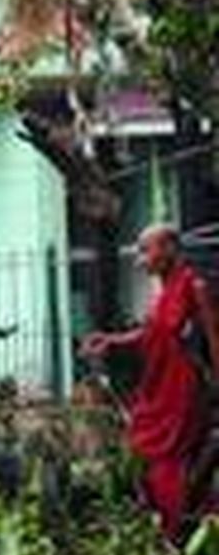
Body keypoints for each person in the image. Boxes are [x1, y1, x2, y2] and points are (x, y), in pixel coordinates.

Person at [82, 224, 219, 539]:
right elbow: (150, 333)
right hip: (158, 383)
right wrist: (112, 339)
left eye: (147, 250)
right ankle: (189, 519)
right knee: (145, 446)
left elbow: (214, 338)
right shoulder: (164, 290)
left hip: (182, 387)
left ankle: (177, 527)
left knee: (167, 456)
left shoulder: (194, 285)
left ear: (170, 248)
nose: (140, 260)